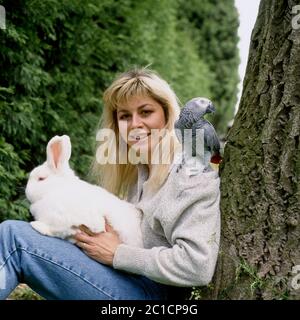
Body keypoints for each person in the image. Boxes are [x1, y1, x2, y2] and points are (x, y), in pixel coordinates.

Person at [0, 67, 220, 300]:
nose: (135, 124)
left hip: (152, 295)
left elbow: (198, 267)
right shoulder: (140, 173)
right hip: (127, 280)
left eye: (146, 112)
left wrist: (119, 253)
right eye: (125, 116)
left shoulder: (189, 175)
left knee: (13, 238)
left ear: (167, 117)